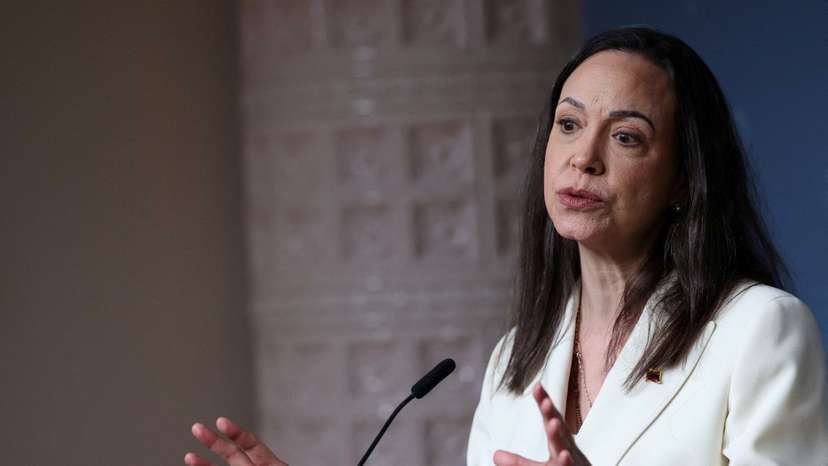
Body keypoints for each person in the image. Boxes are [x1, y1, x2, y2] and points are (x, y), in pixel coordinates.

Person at [181, 27, 828, 466]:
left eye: (626, 137)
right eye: (568, 125)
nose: (584, 158)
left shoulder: (759, 330)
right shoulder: (516, 360)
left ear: (685, 177)